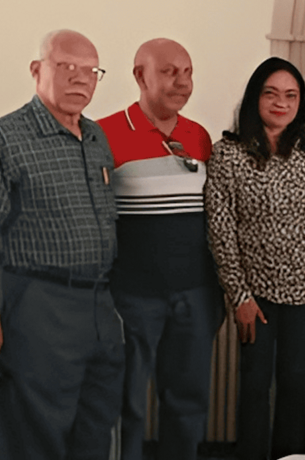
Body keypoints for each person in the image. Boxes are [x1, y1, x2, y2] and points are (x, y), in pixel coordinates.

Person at [0, 29, 124, 459]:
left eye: (91, 71)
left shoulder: (97, 138)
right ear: (36, 70)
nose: (81, 79)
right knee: (32, 437)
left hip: (99, 308)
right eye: (67, 67)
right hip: (35, 306)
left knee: (94, 433)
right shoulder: (0, 139)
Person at [98, 38, 225, 460]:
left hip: (195, 295)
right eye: (170, 71)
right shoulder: (104, 135)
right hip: (131, 297)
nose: (182, 82)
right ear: (140, 75)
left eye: (188, 72)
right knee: (126, 404)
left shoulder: (199, 137)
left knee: (188, 405)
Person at [204, 57, 305, 460]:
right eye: (271, 93)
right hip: (256, 297)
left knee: (295, 384)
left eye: (291, 95)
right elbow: (220, 231)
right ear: (255, 97)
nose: (281, 103)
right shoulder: (228, 154)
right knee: (255, 386)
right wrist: (239, 297)